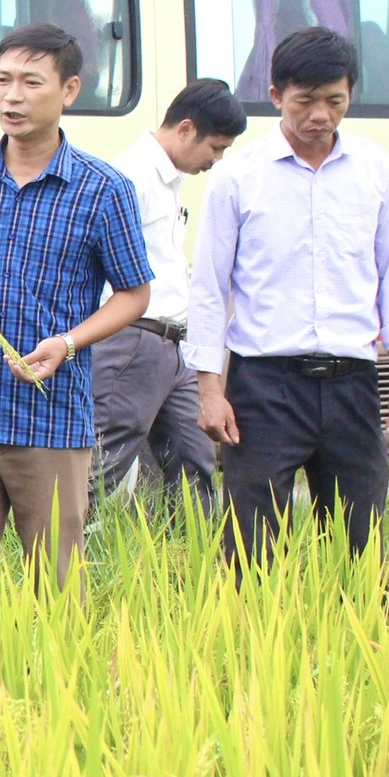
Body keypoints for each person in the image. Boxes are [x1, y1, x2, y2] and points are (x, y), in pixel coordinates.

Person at [0, 23, 153, 598]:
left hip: (49, 419)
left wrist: (68, 343)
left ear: (69, 91)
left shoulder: (103, 189)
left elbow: (134, 293)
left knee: (58, 587)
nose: (12, 97)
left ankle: (56, 688)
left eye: (30, 82)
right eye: (2, 81)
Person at [187, 26, 389, 564]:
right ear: (276, 97)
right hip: (265, 386)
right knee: (251, 546)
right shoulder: (238, 176)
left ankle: (360, 639)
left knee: (360, 541)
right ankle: (250, 640)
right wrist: (209, 389)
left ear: (350, 95)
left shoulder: (377, 171)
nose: (320, 115)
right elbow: (208, 287)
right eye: (305, 101)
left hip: (354, 382)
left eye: (334, 101)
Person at [92, 79, 246, 508]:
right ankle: (62, 557)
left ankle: (192, 558)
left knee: (194, 459)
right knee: (103, 462)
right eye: (215, 148)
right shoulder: (128, 177)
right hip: (133, 339)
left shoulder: (169, 181)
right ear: (185, 129)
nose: (216, 160)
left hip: (175, 343)